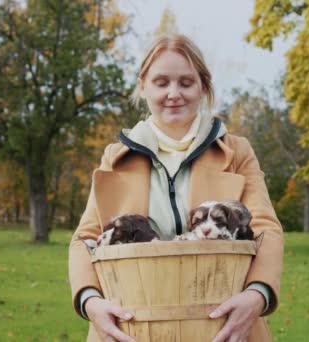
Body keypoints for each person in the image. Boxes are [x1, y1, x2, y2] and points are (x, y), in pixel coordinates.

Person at [69, 34, 284, 342]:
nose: (173, 94)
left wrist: (257, 294)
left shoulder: (237, 152)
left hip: (223, 328)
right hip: (130, 329)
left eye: (186, 82)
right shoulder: (114, 157)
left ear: (203, 87)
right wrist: (91, 301)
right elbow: (85, 239)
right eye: (161, 82)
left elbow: (266, 230)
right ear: (143, 86)